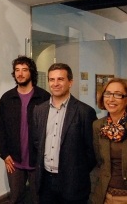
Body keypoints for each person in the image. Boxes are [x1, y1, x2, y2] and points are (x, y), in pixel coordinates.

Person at [32, 63, 97, 204]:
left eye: (60, 79)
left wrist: (77, 171)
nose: (55, 84)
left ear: (70, 82)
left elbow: (92, 151)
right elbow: (37, 142)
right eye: (52, 79)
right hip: (45, 181)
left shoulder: (85, 112)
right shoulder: (39, 110)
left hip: (73, 182)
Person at [0, 56, 51, 204]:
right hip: (14, 160)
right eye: (17, 70)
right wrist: (4, 153)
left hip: (38, 160)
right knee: (16, 199)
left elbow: (51, 129)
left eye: (24, 70)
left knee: (39, 199)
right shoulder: (7, 98)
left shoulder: (44, 97)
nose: (20, 74)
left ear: (31, 72)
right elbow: (1, 129)